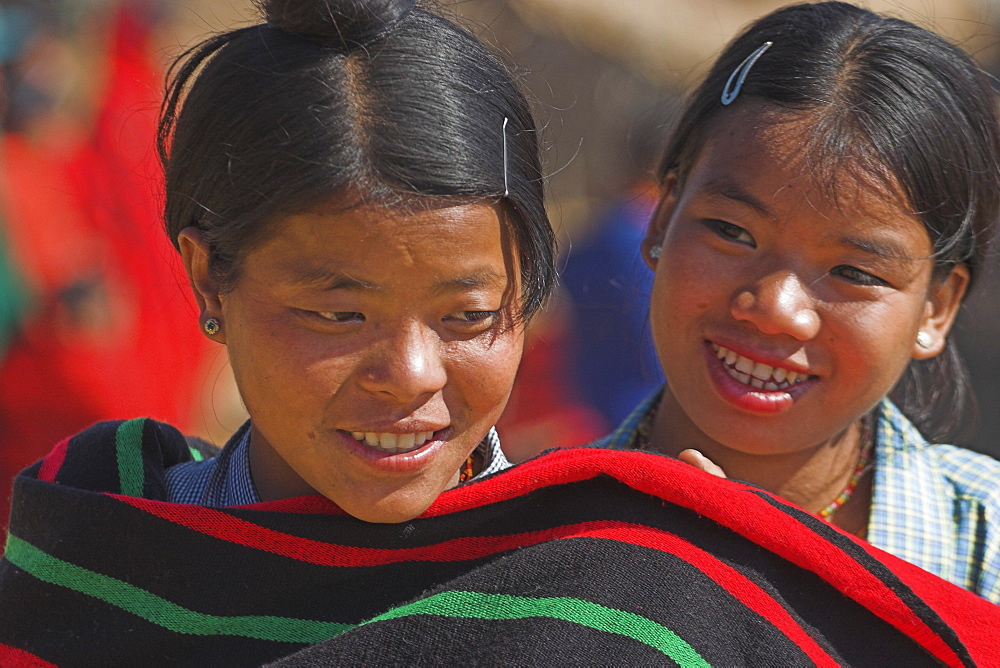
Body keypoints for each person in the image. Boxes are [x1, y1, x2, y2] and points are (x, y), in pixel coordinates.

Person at [2, 1, 999, 664]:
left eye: (469, 316)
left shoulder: (618, 581)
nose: (408, 374)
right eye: (336, 313)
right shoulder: (97, 546)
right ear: (208, 275)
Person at [597, 0, 1000, 603]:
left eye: (853, 271)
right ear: (662, 219)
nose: (776, 308)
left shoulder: (984, 550)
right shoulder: (519, 536)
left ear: (937, 307)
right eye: (732, 232)